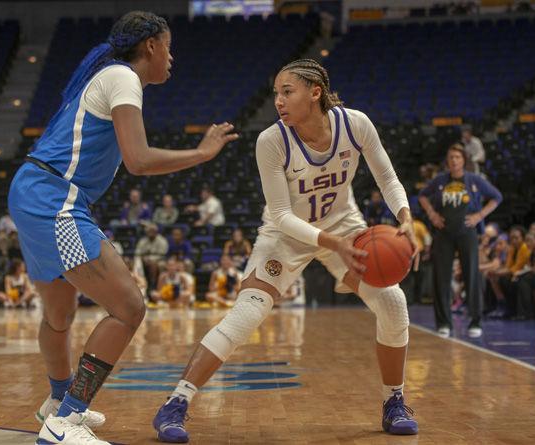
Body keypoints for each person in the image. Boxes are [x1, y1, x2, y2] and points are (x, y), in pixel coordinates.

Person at [153, 59, 420, 441]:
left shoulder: (355, 124)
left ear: (315, 92)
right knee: (247, 314)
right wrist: (332, 244)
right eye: (276, 93)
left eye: (286, 91)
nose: (277, 101)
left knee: (393, 304)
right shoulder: (272, 140)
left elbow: (388, 177)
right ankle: (175, 405)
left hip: (343, 225)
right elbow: (279, 214)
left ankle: (394, 402)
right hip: (287, 235)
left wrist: (405, 218)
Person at [7, 11, 237, 445]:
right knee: (129, 306)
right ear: (151, 44)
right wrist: (201, 154)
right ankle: (66, 422)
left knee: (59, 315)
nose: (172, 57)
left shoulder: (109, 77)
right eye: (169, 46)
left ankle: (57, 402)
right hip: (55, 198)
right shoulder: (123, 78)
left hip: (33, 191)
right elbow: (139, 160)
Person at [419, 143, 502, 338]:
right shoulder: (440, 180)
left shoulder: (474, 180)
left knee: (472, 276)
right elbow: (422, 195)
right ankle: (444, 324)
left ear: (464, 160)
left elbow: (497, 197)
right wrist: (432, 214)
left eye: (457, 157)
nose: (454, 160)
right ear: (447, 162)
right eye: (451, 157)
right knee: (441, 278)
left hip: (467, 233)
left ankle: (475, 321)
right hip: (443, 233)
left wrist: (479, 215)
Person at [135, 223, 169, 290]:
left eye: (152, 231)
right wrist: (143, 258)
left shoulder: (162, 240)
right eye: (149, 231)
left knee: (154, 265)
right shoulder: (143, 241)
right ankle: (138, 283)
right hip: (144, 260)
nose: (151, 232)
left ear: (156, 232)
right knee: (136, 262)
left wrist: (150, 259)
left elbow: (162, 254)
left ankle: (152, 284)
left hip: (159, 260)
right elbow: (137, 252)